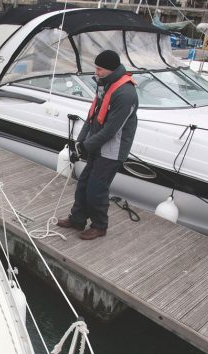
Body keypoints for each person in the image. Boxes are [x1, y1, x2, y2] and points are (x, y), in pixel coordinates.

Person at [57, 50, 138, 240]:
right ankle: (77, 219)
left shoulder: (126, 94)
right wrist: (81, 142)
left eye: (99, 69)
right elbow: (92, 117)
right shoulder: (104, 85)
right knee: (83, 184)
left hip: (112, 151)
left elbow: (111, 129)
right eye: (96, 68)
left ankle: (100, 225)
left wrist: (87, 146)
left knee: (96, 189)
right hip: (98, 146)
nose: (96, 72)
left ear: (110, 69)